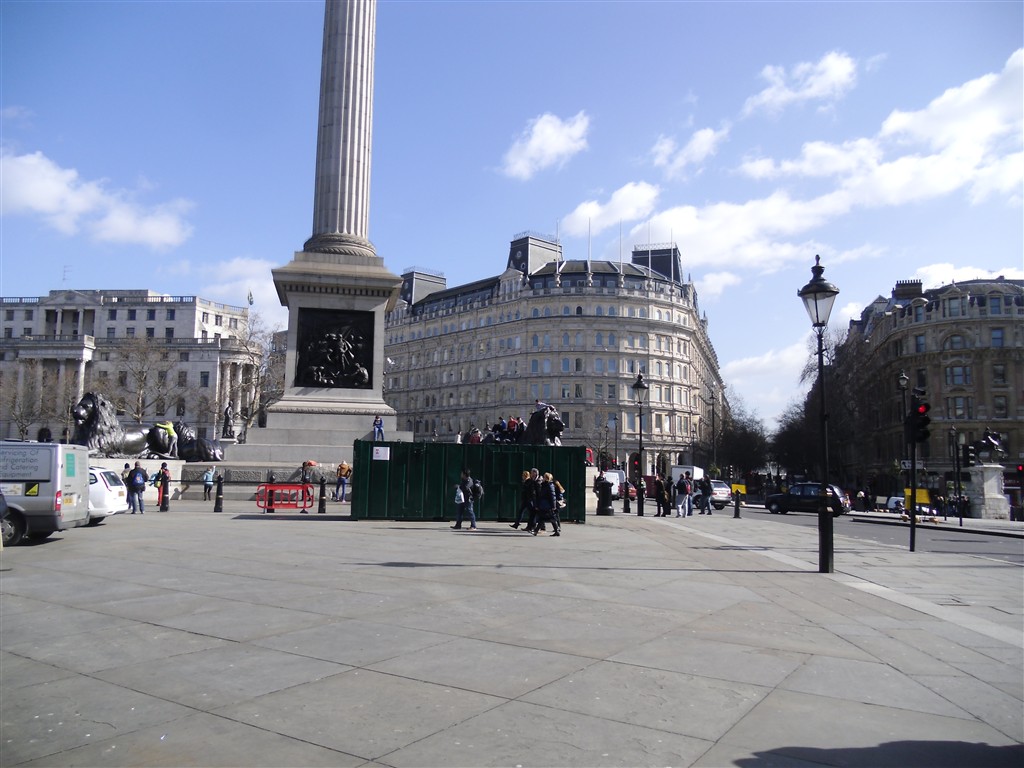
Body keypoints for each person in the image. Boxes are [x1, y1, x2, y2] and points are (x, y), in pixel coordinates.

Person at [529, 472, 561, 536]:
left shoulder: (549, 485)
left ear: (546, 478)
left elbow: (552, 496)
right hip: (544, 504)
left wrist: (553, 506)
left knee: (548, 518)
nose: (542, 478)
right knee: (543, 518)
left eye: (544, 477)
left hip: (547, 504)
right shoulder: (544, 485)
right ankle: (556, 531)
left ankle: (536, 531)